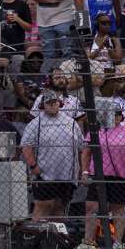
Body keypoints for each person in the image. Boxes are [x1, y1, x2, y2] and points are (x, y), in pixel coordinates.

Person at [76, 98, 125, 249]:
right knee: (91, 207)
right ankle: (88, 242)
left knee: (118, 209)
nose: (116, 117)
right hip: (98, 175)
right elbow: (86, 152)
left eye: (118, 114)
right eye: (113, 114)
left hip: (119, 176)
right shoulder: (96, 130)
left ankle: (117, 242)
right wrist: (85, 172)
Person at [22, 91, 84, 220]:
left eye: (54, 102)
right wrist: (33, 166)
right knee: (43, 204)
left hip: (67, 173)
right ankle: (36, 236)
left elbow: (80, 148)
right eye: (49, 103)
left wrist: (81, 170)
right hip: (44, 173)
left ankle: (56, 237)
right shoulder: (36, 124)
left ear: (59, 103)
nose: (52, 105)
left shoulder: (71, 123)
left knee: (59, 205)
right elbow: (26, 147)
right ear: (43, 105)